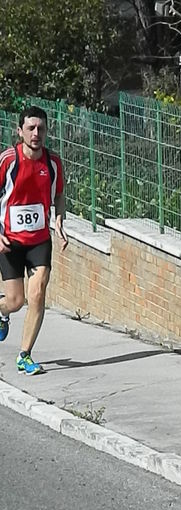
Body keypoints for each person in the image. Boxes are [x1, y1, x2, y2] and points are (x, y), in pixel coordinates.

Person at [0, 105, 68, 375]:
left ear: (47, 131)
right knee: (16, 301)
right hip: (9, 241)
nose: (36, 133)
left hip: (39, 239)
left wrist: (60, 220)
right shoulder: (7, 160)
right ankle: (3, 311)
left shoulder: (53, 162)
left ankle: (25, 355)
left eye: (41, 128)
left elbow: (59, 195)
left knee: (37, 293)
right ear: (20, 131)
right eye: (30, 128)